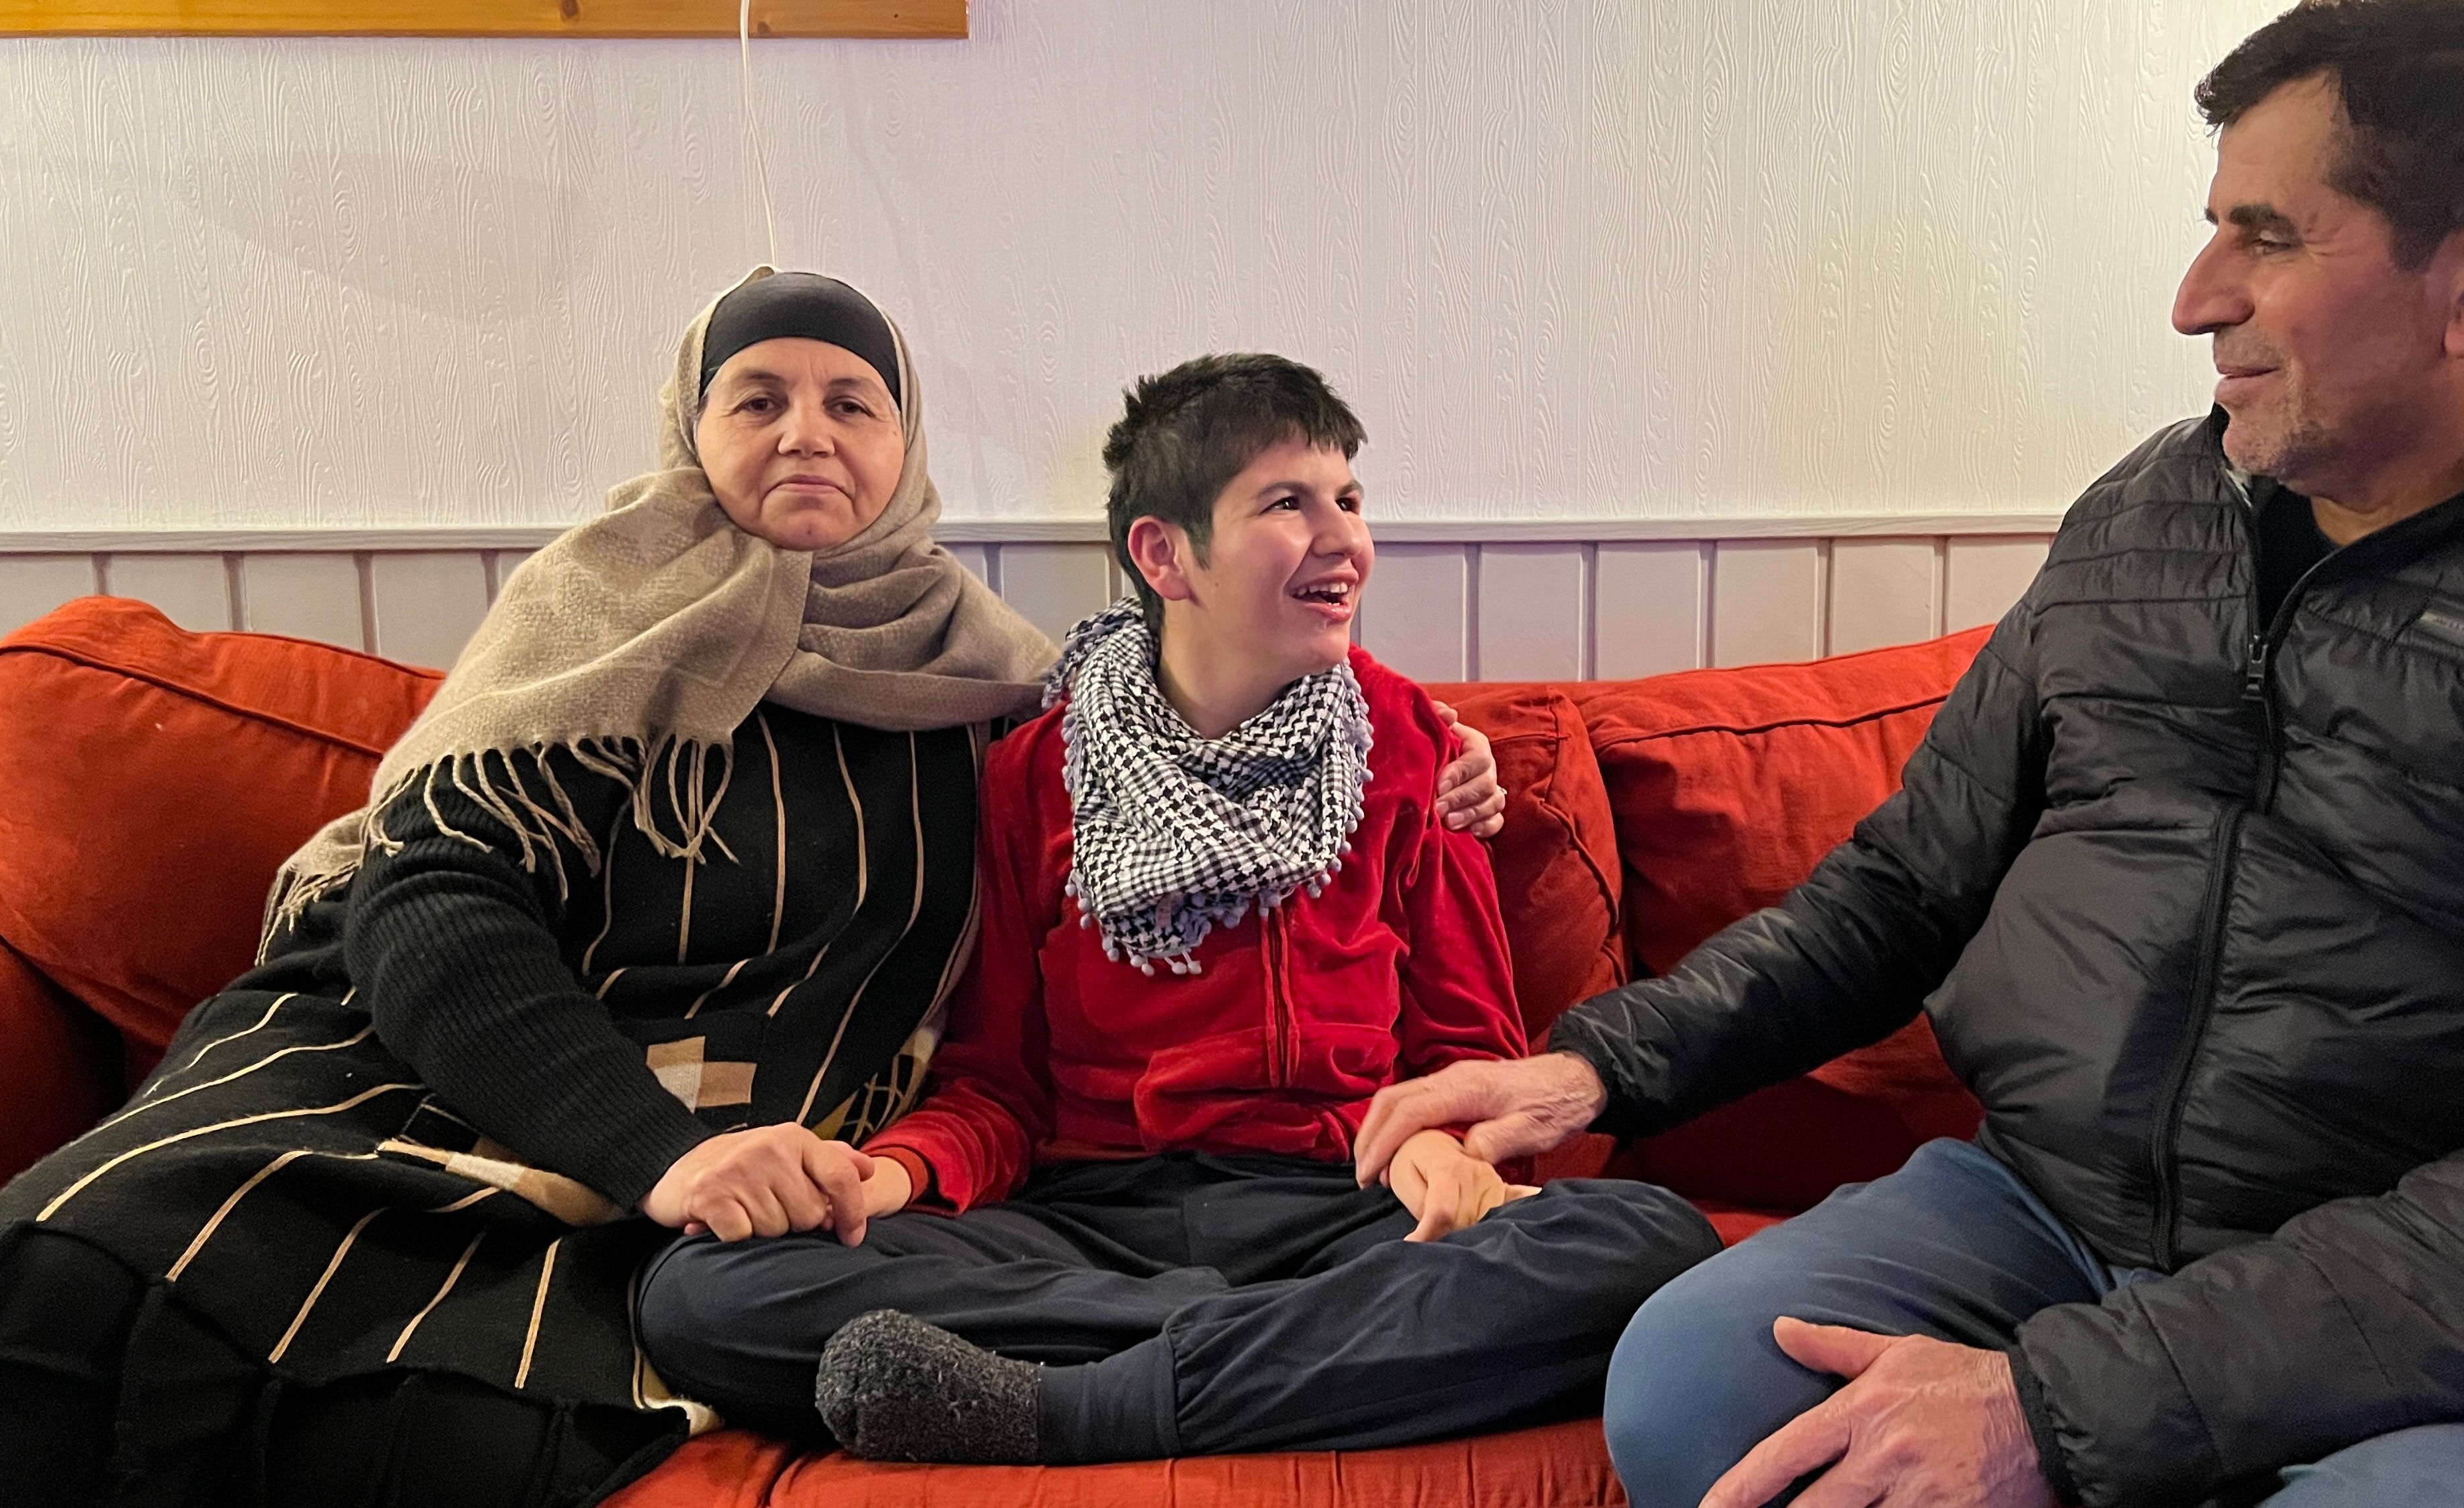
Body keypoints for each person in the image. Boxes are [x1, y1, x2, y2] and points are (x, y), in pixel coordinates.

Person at [1351, 3, 2464, 1505]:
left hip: (2428, 1295)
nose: (2194, 300)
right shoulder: (2149, 514)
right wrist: (1594, 1067)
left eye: (2271, 238)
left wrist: (2052, 1406)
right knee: (1696, 1386)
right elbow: (1908, 883)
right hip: (2047, 1207)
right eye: (2212, 228)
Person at [0, 273, 1510, 1506]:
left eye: (852, 402)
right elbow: (431, 905)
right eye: (757, 398)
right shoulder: (595, 623)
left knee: (1611, 1249)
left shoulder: (991, 690)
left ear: (907, 448)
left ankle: (1152, 1376)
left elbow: (1192, 730)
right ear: (689, 431)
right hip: (446, 1092)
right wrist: (679, 1160)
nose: (807, 433)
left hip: (816, 1172)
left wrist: (1428, 756)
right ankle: (1311, 1352)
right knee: (80, 1268)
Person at [633, 353, 1723, 1465]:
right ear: (1164, 554)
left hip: (1348, 1205)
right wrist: (893, 1174)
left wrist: (1440, 1149)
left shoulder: (1411, 748)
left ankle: (1068, 1408)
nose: (1345, 540)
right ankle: (1270, 1357)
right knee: (703, 1293)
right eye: (1288, 503)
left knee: (1648, 1241)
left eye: (1349, 499)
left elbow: (1468, 1055)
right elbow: (999, 1089)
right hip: (1090, 1225)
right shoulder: (1036, 774)